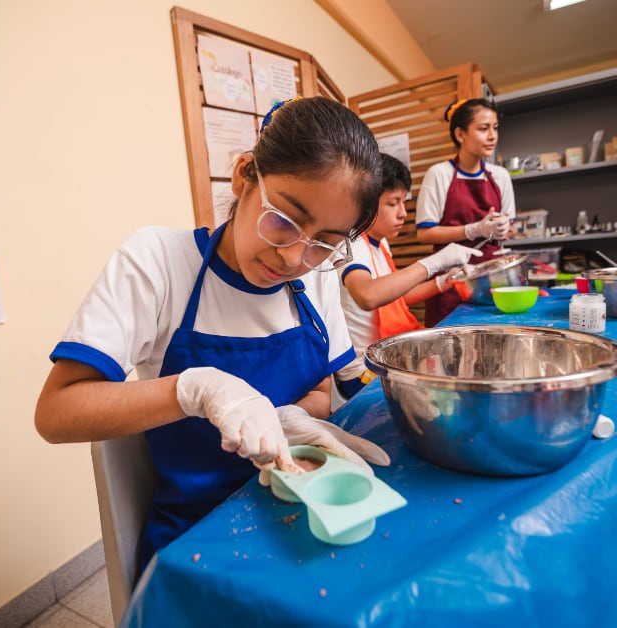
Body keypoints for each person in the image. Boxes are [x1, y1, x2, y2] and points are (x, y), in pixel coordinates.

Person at [34, 97, 391, 579]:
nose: (293, 258)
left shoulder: (315, 277)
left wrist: (290, 419)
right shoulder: (159, 262)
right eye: (284, 221)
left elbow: (320, 390)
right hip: (198, 541)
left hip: (298, 512)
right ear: (244, 176)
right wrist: (195, 389)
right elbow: (56, 413)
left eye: (324, 242)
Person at [334, 154, 480, 400]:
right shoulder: (350, 243)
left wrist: (442, 281)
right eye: (393, 203)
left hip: (387, 352)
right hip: (363, 370)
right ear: (366, 202)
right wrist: (432, 263)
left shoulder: (381, 244)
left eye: (403, 202)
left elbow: (396, 298)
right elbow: (367, 295)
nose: (403, 213)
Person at [415, 97, 516, 326]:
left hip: (492, 280)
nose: (492, 136)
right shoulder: (439, 174)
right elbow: (425, 233)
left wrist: (502, 229)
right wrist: (474, 229)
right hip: (450, 280)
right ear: (460, 134)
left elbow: (511, 230)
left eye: (495, 128)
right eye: (483, 129)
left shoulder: (500, 176)